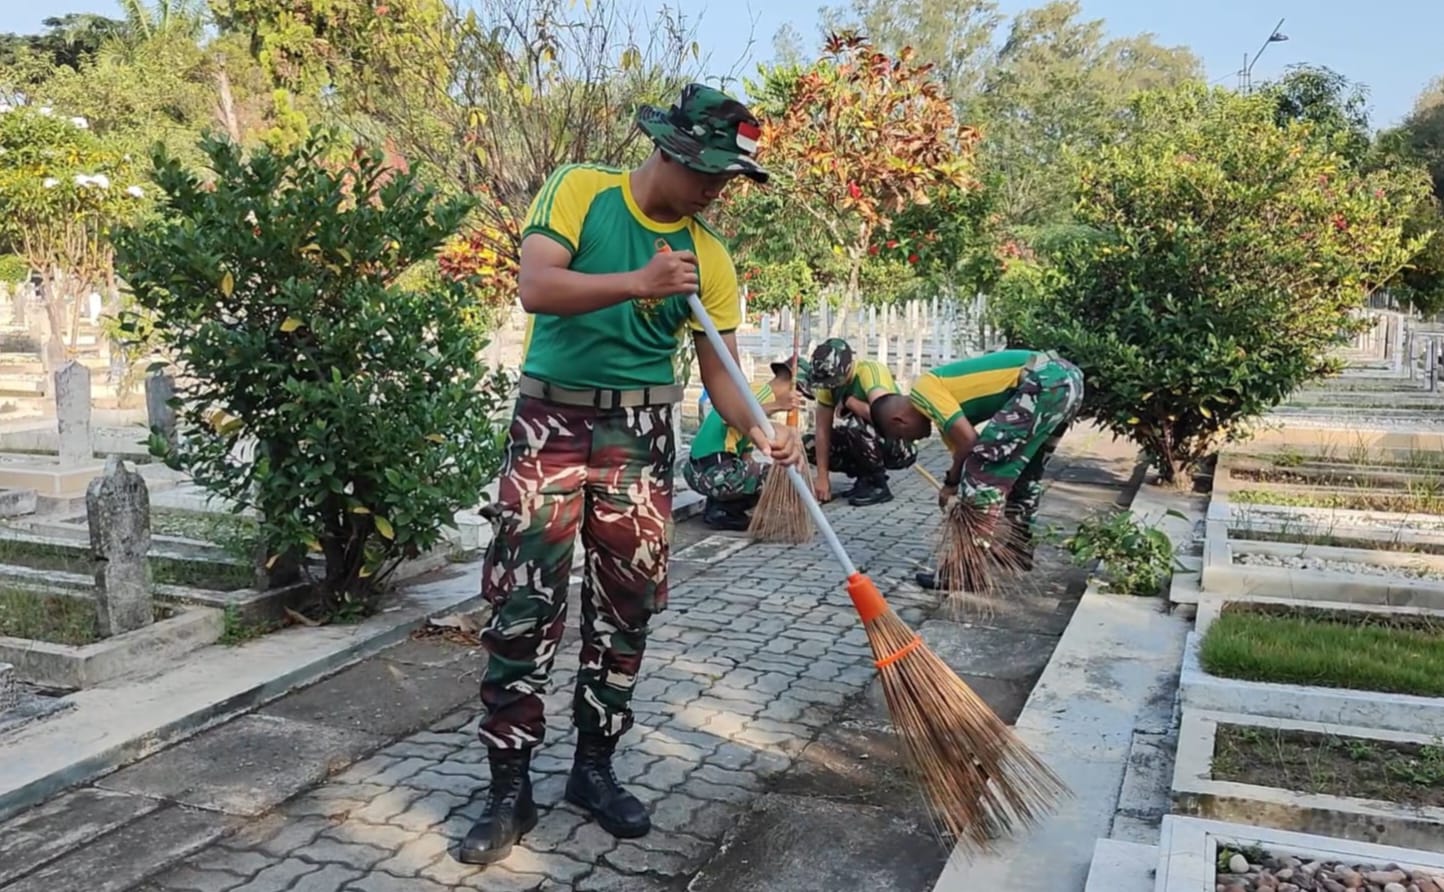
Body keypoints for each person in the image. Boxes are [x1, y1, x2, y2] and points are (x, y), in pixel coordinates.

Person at [460, 83, 804, 866]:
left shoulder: (710, 258)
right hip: (550, 423)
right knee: (523, 605)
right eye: (709, 171)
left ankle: (594, 768)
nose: (717, 189)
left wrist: (761, 431)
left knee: (626, 608)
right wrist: (639, 284)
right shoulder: (581, 191)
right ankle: (509, 787)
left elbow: (722, 373)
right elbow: (537, 287)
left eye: (728, 178)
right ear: (670, 150)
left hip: (641, 437)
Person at [870, 348, 1084, 589]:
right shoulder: (943, 414)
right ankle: (1018, 551)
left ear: (898, 420)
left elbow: (970, 444)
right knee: (1023, 473)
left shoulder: (923, 390)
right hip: (1066, 380)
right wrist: (953, 485)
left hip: (1045, 382)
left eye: (902, 436)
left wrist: (951, 483)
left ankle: (965, 571)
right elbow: (961, 456)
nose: (911, 440)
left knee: (983, 467)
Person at [685, 357, 805, 531]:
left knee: (754, 472)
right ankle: (724, 510)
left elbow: (746, 457)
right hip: (710, 469)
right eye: (799, 393)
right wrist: (777, 405)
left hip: (704, 470)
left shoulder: (756, 398)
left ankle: (722, 508)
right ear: (791, 384)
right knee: (774, 476)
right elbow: (732, 418)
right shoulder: (757, 393)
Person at [805, 337, 916, 507]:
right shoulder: (828, 386)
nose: (830, 386)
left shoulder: (869, 372)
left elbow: (885, 418)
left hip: (898, 443)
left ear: (847, 367)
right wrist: (822, 477)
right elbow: (822, 431)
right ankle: (864, 477)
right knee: (808, 444)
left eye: (833, 381)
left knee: (855, 425)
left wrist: (851, 402)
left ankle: (877, 484)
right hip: (863, 440)